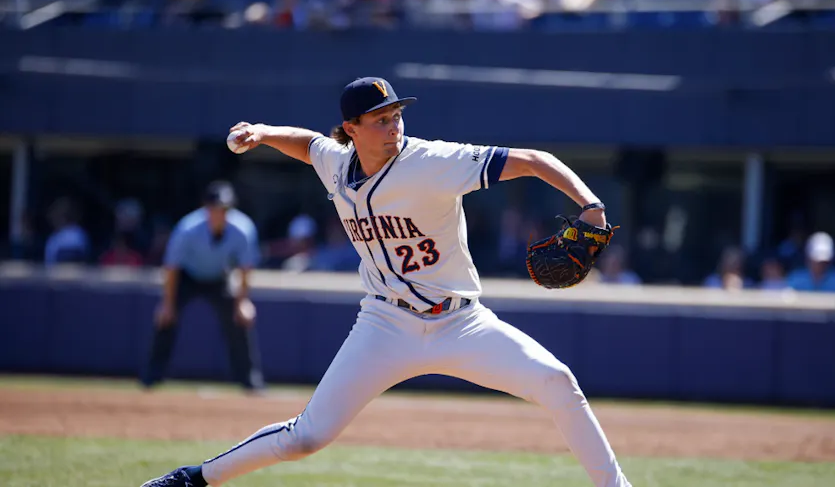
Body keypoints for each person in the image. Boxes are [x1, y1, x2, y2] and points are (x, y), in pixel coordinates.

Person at [140, 77, 632, 487]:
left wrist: (592, 205)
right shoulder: (337, 162)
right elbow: (309, 145)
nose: (394, 125)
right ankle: (192, 480)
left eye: (396, 114)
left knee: (558, 382)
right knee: (306, 437)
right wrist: (265, 132)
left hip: (462, 323)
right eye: (380, 119)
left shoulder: (433, 162)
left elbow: (531, 160)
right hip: (384, 323)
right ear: (351, 130)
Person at [139, 181, 266, 393]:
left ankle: (250, 380)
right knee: (166, 320)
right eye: (216, 208)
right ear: (206, 207)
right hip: (187, 276)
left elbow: (245, 268)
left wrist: (243, 301)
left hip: (219, 276)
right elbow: (171, 268)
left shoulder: (243, 229)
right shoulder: (187, 228)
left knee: (239, 322)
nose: (220, 214)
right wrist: (167, 304)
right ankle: (151, 378)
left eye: (225, 209)